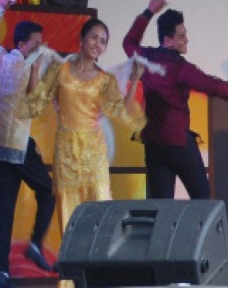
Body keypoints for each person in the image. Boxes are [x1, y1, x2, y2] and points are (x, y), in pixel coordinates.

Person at [122, 0, 228, 200]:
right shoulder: (179, 68)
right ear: (168, 40)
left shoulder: (145, 57)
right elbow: (211, 85)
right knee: (203, 201)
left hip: (154, 147)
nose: (187, 40)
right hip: (178, 145)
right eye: (182, 36)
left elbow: (128, 42)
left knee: (160, 209)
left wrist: (148, 13)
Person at [19, 19, 146, 232]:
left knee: (100, 208)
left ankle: (98, 263)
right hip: (66, 152)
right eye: (94, 37)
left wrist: (135, 80)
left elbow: (120, 112)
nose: (98, 44)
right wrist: (34, 71)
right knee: (69, 212)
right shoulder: (59, 70)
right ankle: (71, 263)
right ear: (81, 39)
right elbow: (36, 103)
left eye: (103, 41)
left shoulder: (105, 80)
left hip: (94, 154)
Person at [0, 15, 54, 287]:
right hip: (15, 146)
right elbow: (33, 96)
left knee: (5, 210)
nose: (40, 48)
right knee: (47, 191)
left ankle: (4, 269)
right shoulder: (13, 63)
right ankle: (30, 246)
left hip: (8, 147)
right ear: (22, 44)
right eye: (36, 44)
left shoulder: (11, 61)